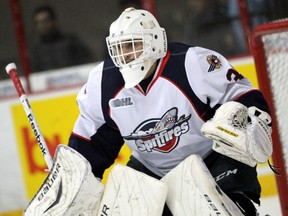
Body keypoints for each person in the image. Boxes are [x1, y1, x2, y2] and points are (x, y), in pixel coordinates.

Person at [68, 7, 272, 215]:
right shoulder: (103, 83)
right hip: (151, 169)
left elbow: (243, 98)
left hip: (213, 158)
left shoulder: (191, 63)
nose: (126, 55)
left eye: (133, 44)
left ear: (154, 41)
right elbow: (91, 145)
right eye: (120, 48)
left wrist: (252, 120)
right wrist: (72, 184)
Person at [30, 5, 93, 72]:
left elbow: (86, 62)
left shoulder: (71, 42)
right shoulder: (36, 50)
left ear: (53, 21)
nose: (43, 25)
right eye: (38, 23)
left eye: (45, 21)